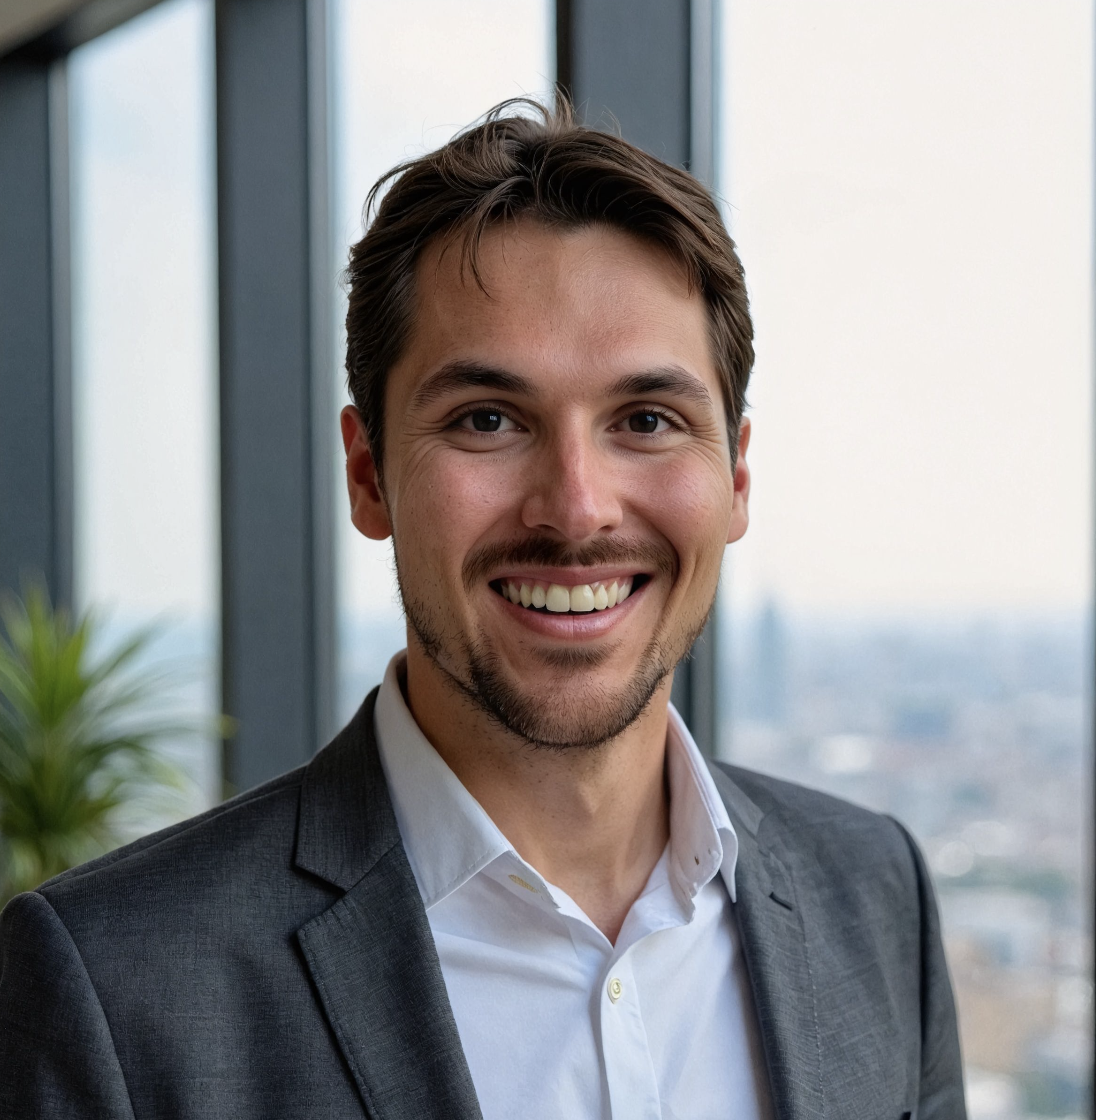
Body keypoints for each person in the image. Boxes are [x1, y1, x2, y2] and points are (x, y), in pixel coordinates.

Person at [0, 99, 966, 1119]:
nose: (577, 509)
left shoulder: (875, 895)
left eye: (646, 420)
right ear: (368, 475)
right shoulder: (116, 989)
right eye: (489, 419)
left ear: (735, 478)